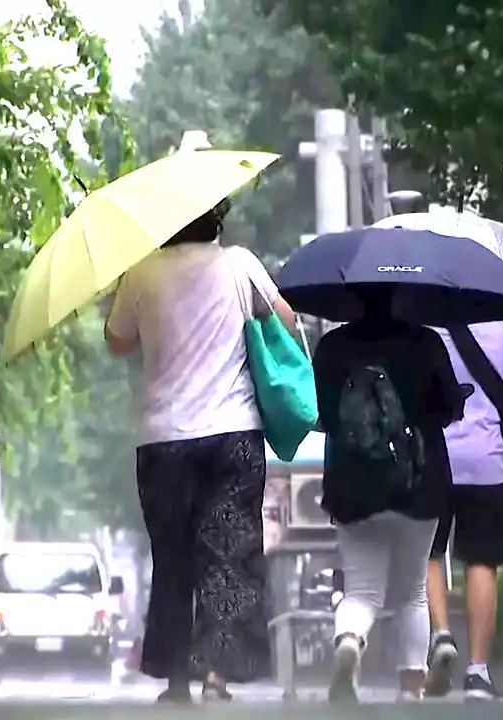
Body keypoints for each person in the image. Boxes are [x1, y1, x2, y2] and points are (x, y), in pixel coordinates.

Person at [103, 200, 297, 702]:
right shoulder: (240, 264)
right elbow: (286, 320)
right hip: (233, 435)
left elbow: (118, 341)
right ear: (217, 219)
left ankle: (175, 681)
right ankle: (217, 676)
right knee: (229, 554)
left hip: (165, 439)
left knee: (173, 559)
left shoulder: (140, 272)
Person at [311, 288, 470, 702]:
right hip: (420, 481)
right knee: (413, 590)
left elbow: (319, 415)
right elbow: (449, 407)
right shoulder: (425, 342)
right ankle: (411, 689)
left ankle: (349, 641)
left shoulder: (332, 347)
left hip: (353, 483)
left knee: (362, 590)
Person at [423, 321, 503, 700]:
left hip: (433, 458)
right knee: (482, 560)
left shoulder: (425, 320)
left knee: (428, 552)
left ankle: (441, 634)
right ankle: (477, 673)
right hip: (487, 461)